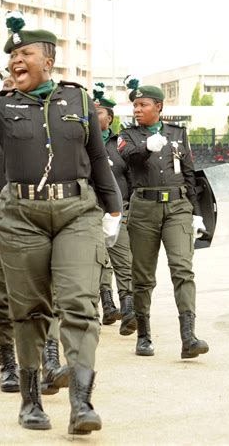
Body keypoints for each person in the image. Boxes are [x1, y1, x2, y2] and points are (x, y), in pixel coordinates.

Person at [0, 12, 121, 434]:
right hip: (21, 218)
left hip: (75, 212)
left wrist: (113, 208)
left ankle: (82, 403)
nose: (16, 61)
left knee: (79, 305)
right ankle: (31, 401)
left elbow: (98, 157)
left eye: (25, 53)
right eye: (12, 55)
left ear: (47, 60)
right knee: (30, 311)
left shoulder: (79, 102)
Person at [118, 79, 209, 359]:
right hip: (144, 208)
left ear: (159, 106)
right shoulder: (128, 134)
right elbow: (129, 158)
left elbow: (190, 174)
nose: (137, 109)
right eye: (135, 104)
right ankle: (144, 336)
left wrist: (196, 213)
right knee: (143, 277)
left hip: (178, 207)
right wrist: (147, 147)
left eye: (143, 104)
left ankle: (188, 337)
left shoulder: (178, 133)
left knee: (183, 269)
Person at [93, 83, 136, 336]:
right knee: (97, 261)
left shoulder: (120, 144)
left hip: (118, 212)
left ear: (109, 118)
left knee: (123, 260)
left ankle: (128, 308)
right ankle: (106, 304)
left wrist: (128, 207)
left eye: (98, 112)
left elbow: (131, 176)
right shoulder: (82, 142)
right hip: (90, 211)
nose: (94, 114)